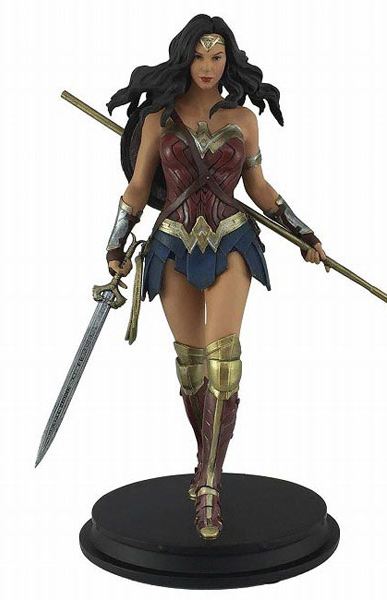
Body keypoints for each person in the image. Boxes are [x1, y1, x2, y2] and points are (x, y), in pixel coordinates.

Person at [105, 14, 329, 541]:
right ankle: (206, 458)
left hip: (231, 241)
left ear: (228, 60)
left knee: (223, 361)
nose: (208, 66)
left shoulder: (244, 119)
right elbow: (138, 187)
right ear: (187, 57)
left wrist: (301, 230)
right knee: (191, 368)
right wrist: (114, 241)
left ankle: (209, 484)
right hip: (171, 243)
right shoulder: (159, 119)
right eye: (200, 56)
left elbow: (259, 187)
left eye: (218, 56)